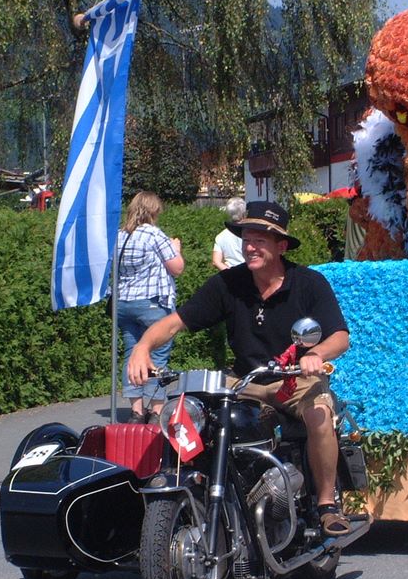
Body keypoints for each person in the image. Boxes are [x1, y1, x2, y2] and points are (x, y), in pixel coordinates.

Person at [127, 201, 354, 536]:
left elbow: (340, 336)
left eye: (260, 240)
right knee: (192, 417)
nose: (250, 247)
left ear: (281, 246)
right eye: (246, 239)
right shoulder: (229, 284)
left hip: (295, 378)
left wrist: (316, 354)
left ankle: (326, 505)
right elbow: (175, 322)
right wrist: (142, 347)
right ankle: (193, 495)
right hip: (245, 379)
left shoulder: (308, 283)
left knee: (320, 415)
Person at [116, 191, 184, 424]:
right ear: (154, 210)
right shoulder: (154, 234)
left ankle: (136, 411)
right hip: (152, 304)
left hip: (124, 303)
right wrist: (176, 249)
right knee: (157, 355)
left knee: (132, 354)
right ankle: (156, 410)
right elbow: (177, 268)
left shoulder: (120, 235)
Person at [211, 198, 246, 270]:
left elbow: (216, 261)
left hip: (230, 273)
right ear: (244, 213)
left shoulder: (221, 236)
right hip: (250, 271)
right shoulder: (250, 233)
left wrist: (230, 272)